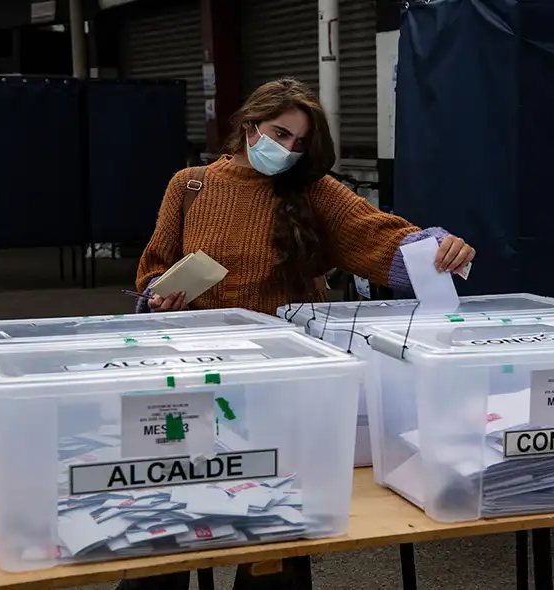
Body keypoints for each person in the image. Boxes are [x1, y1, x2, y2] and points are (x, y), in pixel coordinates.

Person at [125, 78, 474, 590]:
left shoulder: (314, 190)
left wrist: (439, 248)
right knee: (172, 516)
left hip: (283, 377)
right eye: (279, 134)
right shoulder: (190, 185)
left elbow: (381, 238)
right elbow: (153, 270)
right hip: (191, 369)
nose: (288, 149)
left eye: (300, 141)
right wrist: (158, 295)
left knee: (276, 528)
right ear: (249, 128)